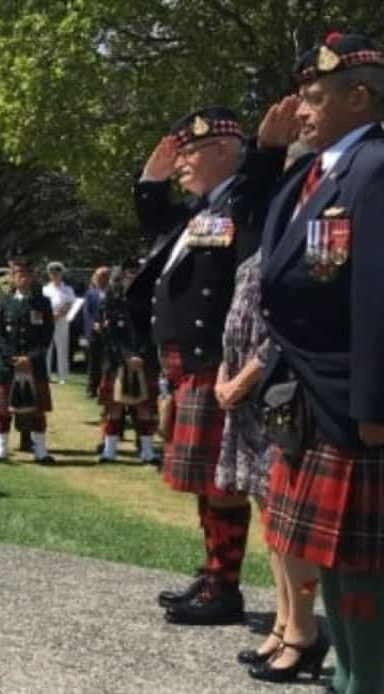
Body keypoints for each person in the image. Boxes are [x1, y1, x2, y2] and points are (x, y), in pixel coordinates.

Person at [257, 33, 384, 694]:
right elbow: (277, 252)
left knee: (362, 560)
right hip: (315, 388)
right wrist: (280, 159)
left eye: (314, 97)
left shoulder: (374, 170)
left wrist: (375, 402)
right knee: (334, 556)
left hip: (349, 394)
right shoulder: (329, 170)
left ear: (359, 98)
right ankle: (346, 682)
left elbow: (377, 297)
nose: (300, 109)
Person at [131, 101, 295, 625]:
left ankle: (244, 593)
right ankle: (215, 576)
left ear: (223, 151)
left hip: (218, 362)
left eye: (189, 152)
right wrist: (150, 184)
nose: (178, 162)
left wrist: (267, 153)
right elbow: (158, 228)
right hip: (189, 365)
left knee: (228, 483)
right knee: (209, 482)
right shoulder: (200, 213)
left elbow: (264, 192)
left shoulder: (245, 202)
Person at [217, 250, 323, 683]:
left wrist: (240, 381)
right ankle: (285, 621)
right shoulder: (270, 239)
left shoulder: (297, 242)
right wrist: (226, 375)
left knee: (285, 518)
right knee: (270, 517)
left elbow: (285, 327)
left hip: (276, 390)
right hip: (249, 394)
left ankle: (302, 627)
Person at [0, 256, 56, 464]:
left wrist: (30, 358)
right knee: (2, 409)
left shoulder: (43, 303)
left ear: (32, 277)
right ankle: (1, 447)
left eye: (26, 274)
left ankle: (41, 450)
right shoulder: (4, 302)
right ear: (13, 278)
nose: (22, 279)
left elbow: (47, 334)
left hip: (34, 365)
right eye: (18, 275)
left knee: (37, 410)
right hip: (8, 365)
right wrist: (12, 357)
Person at [96, 260, 160, 465]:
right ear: (122, 275)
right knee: (113, 407)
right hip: (116, 362)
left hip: (143, 361)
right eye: (129, 273)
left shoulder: (150, 298)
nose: (132, 276)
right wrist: (126, 356)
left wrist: (139, 356)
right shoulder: (111, 299)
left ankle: (148, 452)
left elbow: (153, 331)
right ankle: (109, 451)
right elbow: (108, 332)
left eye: (136, 273)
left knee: (145, 408)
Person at [43, 262, 75, 384]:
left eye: (57, 273)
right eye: (52, 273)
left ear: (61, 274)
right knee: (47, 348)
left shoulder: (67, 289)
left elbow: (70, 303)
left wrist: (58, 314)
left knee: (62, 348)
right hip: (47, 321)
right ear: (49, 275)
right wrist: (50, 316)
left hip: (62, 321)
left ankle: (63, 376)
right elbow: (42, 305)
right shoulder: (45, 289)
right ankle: (46, 375)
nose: (55, 275)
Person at [82, 266, 108, 398]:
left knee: (107, 362)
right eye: (98, 277)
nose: (100, 279)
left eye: (103, 277)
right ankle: (91, 388)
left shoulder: (111, 292)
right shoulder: (90, 294)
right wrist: (94, 325)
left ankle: (104, 388)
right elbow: (87, 313)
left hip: (108, 332)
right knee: (93, 362)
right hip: (94, 333)